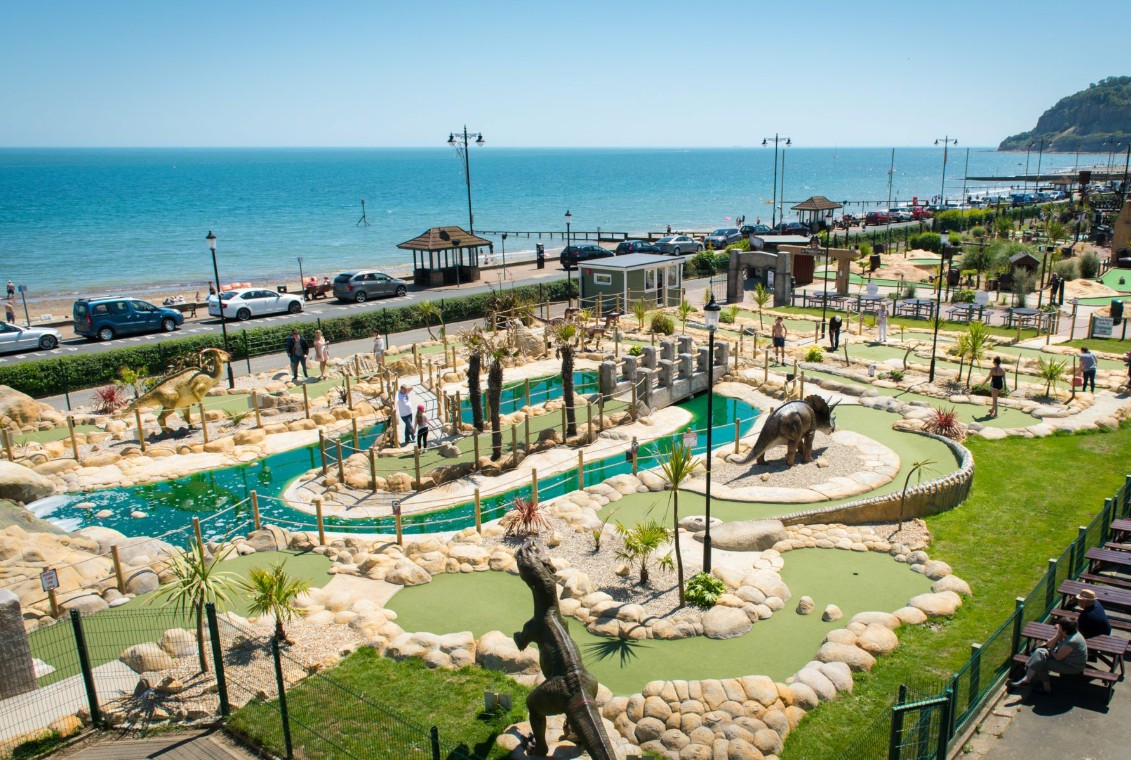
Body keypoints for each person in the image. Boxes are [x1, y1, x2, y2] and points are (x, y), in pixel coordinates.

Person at [1009, 618, 1088, 693]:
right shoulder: (1069, 632)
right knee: (1039, 651)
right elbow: (1049, 644)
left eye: (1059, 627)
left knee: (1041, 664)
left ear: (1065, 630)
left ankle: (1047, 689)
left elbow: (1058, 657)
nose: (1057, 627)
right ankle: (1027, 679)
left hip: (1072, 666)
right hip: (1064, 657)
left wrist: (1051, 649)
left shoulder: (1072, 641)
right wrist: (1058, 635)